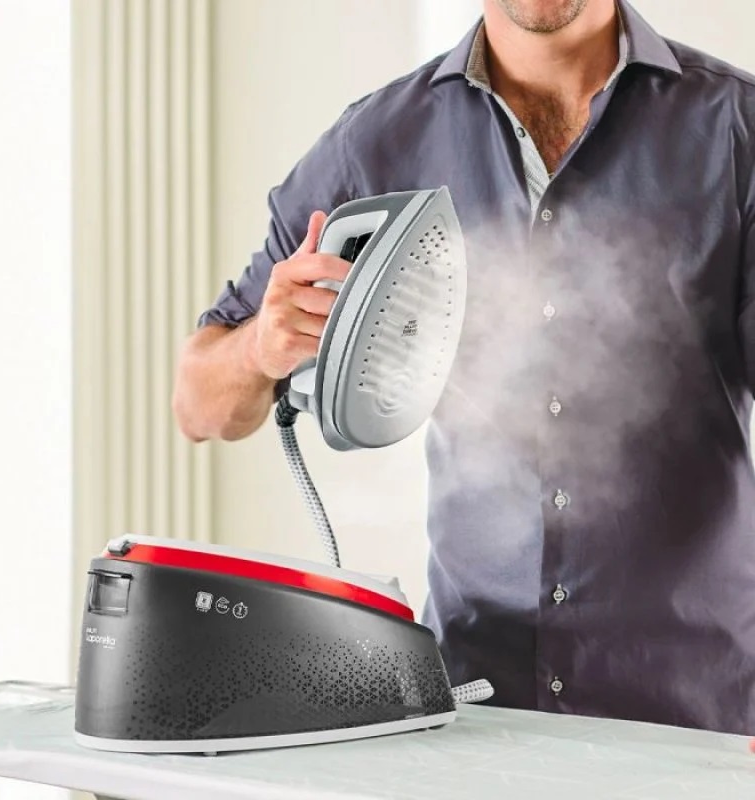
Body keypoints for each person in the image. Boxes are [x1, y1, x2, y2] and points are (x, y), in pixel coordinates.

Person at [172, 0, 755, 740]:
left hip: (697, 715)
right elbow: (200, 406)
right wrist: (263, 345)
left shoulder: (734, 129)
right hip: (475, 708)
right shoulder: (378, 141)